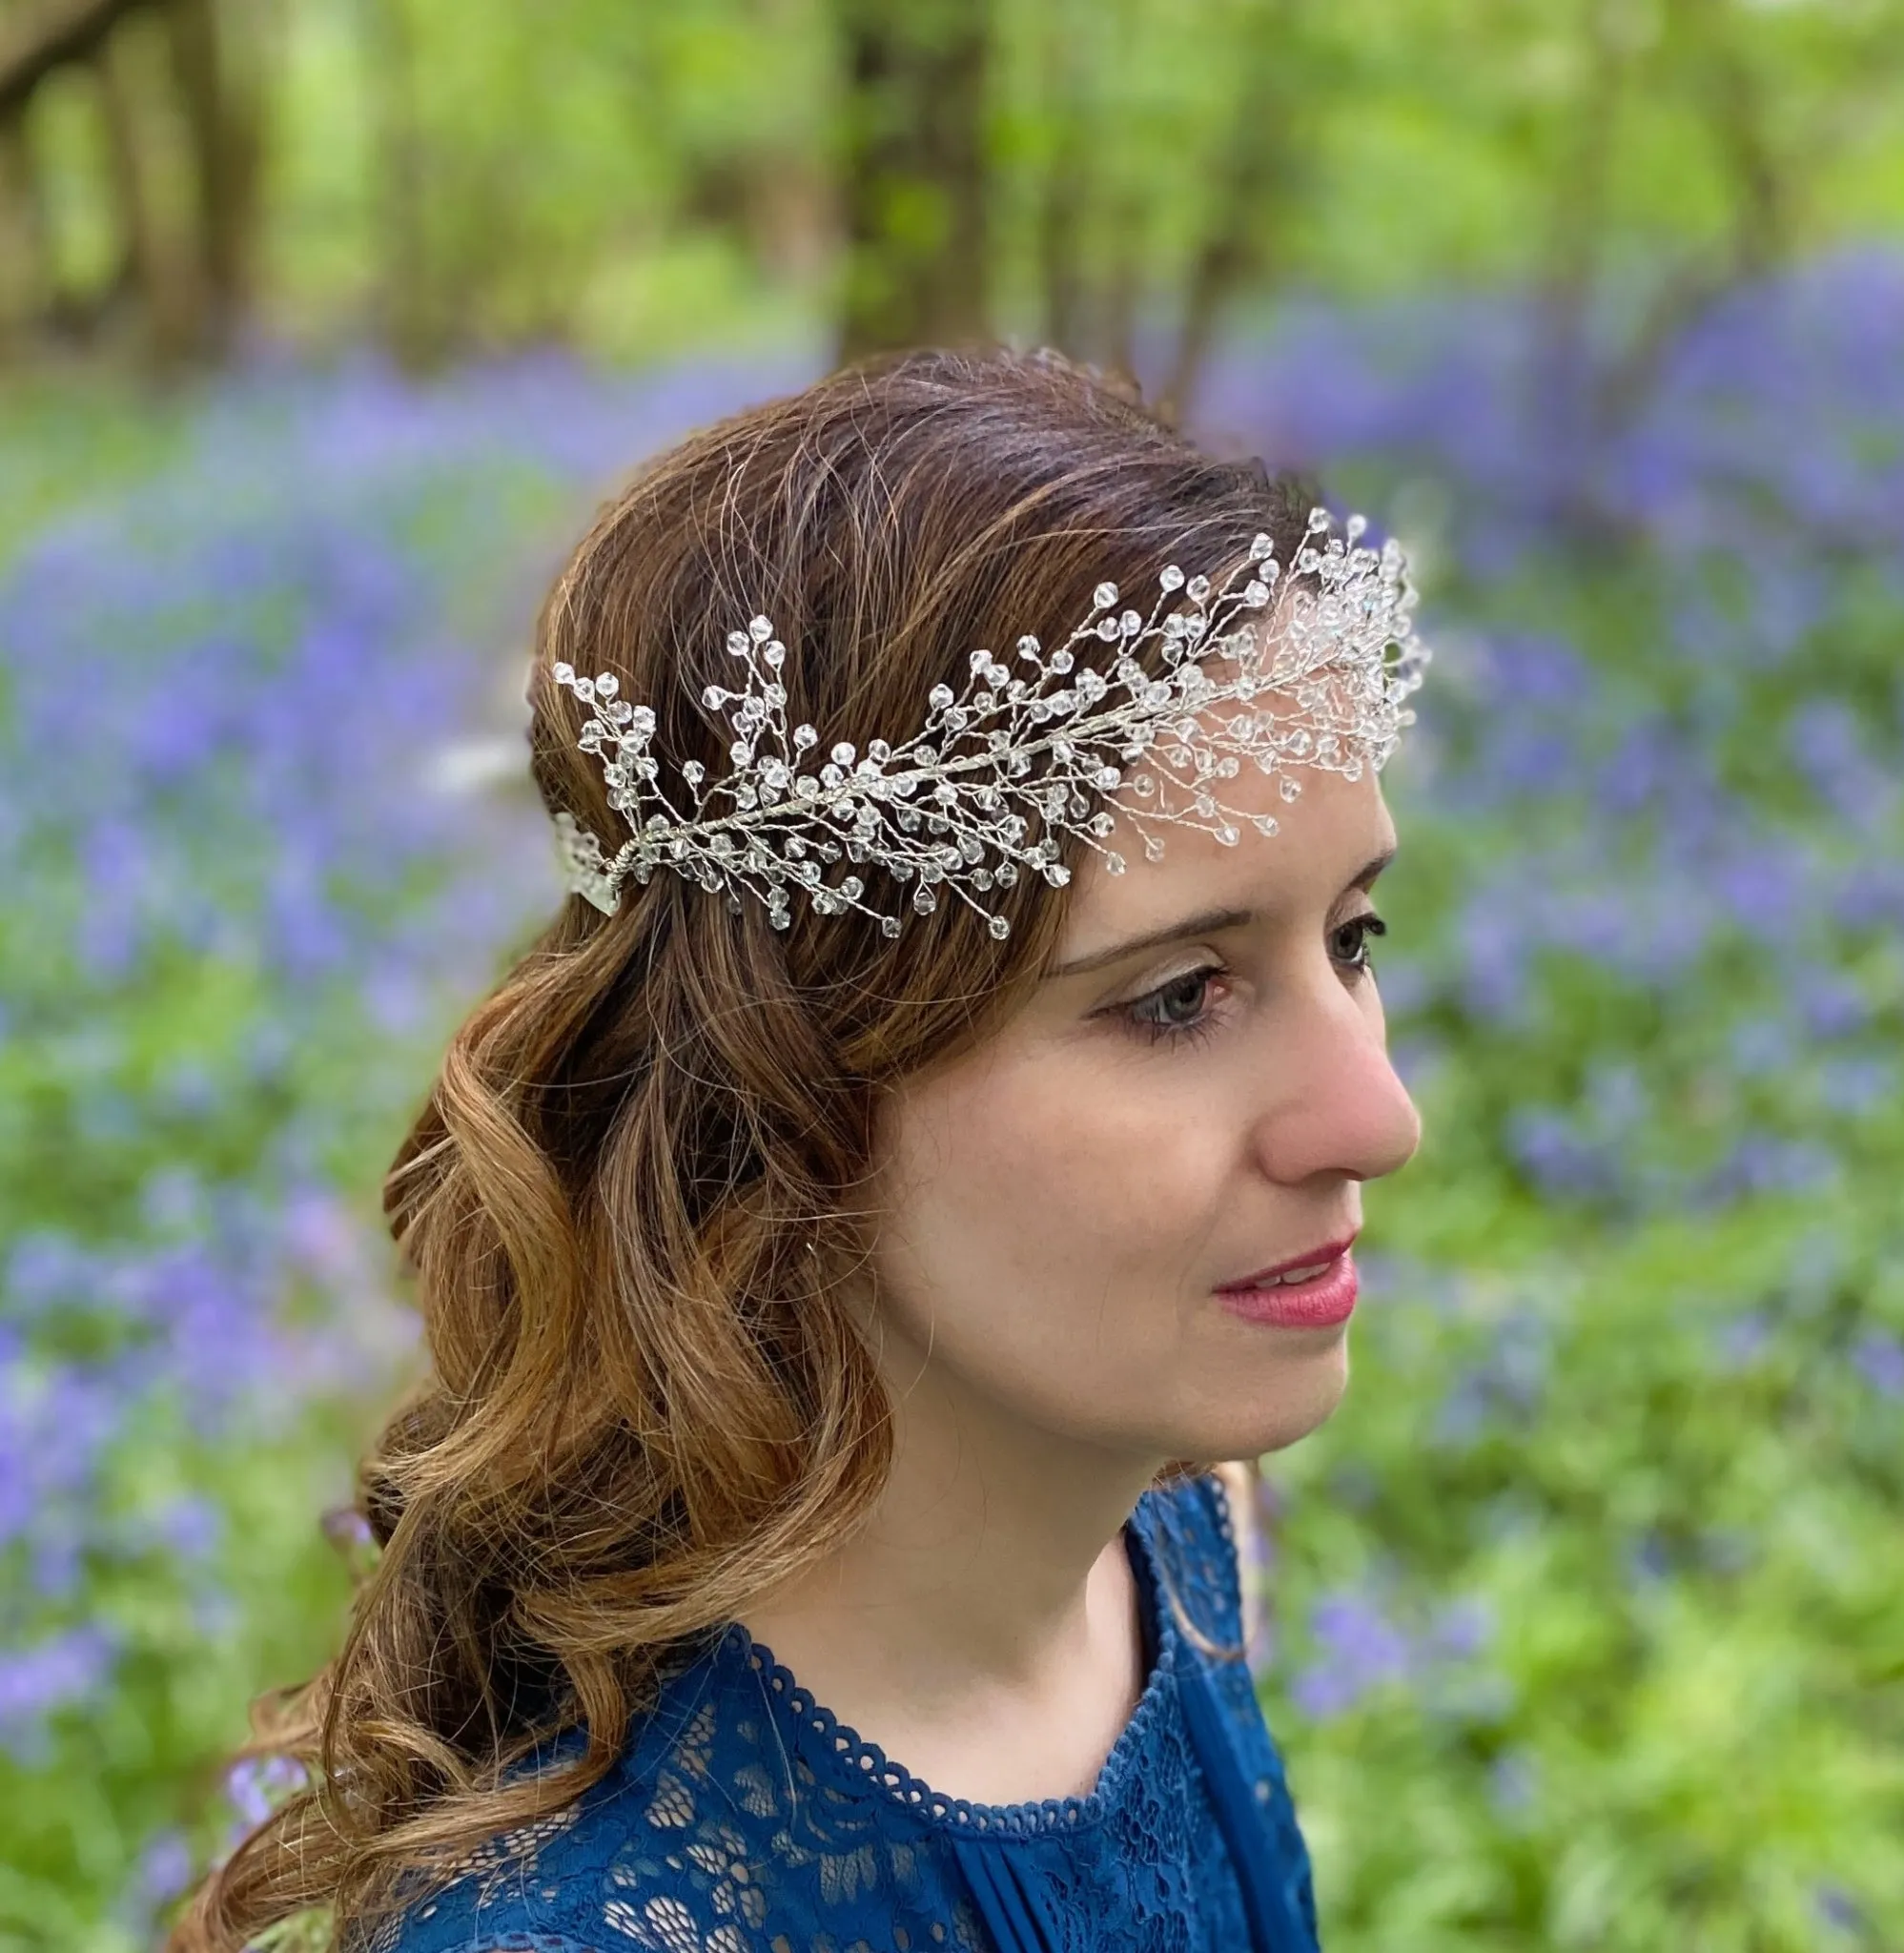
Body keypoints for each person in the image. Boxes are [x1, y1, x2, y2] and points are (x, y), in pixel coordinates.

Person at [174, 344, 1427, 1953]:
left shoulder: (1176, 1548)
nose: (1381, 1120)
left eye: (1355, 936)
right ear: (788, 1082)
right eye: (1179, 997)